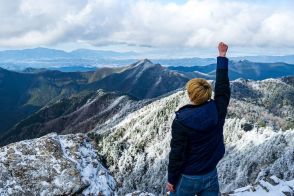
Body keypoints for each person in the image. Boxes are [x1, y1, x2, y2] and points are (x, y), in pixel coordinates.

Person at [167, 42, 230, 196]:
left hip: (188, 177)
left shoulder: (181, 121)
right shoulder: (218, 109)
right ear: (208, 93)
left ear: (190, 95)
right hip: (210, 172)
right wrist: (222, 56)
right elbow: (223, 88)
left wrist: (171, 179)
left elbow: (177, 153)